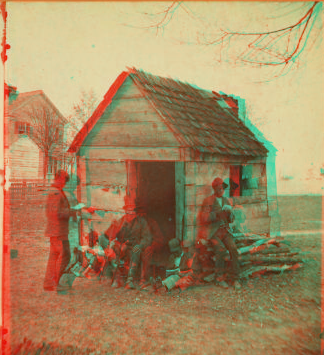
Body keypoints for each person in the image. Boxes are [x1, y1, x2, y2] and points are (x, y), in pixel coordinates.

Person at [195, 177, 241, 289]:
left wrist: (230, 214)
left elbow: (231, 219)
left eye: (222, 188)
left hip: (224, 231)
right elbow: (204, 218)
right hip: (212, 233)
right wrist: (218, 213)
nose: (221, 190)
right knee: (220, 249)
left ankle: (235, 278)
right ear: (214, 189)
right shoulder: (208, 201)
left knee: (233, 248)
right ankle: (219, 278)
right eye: (218, 188)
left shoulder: (227, 200)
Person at [44, 170, 76, 292]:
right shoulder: (56, 192)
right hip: (58, 231)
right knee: (63, 256)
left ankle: (49, 283)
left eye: (65, 181)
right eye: (63, 180)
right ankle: (57, 283)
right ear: (58, 178)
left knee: (55, 256)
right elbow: (56, 213)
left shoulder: (56, 191)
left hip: (57, 231)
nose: (64, 183)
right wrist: (73, 211)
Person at [114, 195, 153, 290]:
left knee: (135, 251)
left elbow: (147, 237)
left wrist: (140, 245)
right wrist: (123, 227)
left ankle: (129, 281)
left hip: (137, 246)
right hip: (126, 246)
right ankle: (117, 279)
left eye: (132, 211)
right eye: (128, 211)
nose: (130, 214)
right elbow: (118, 237)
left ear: (135, 212)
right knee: (115, 249)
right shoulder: (123, 222)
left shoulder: (141, 222)